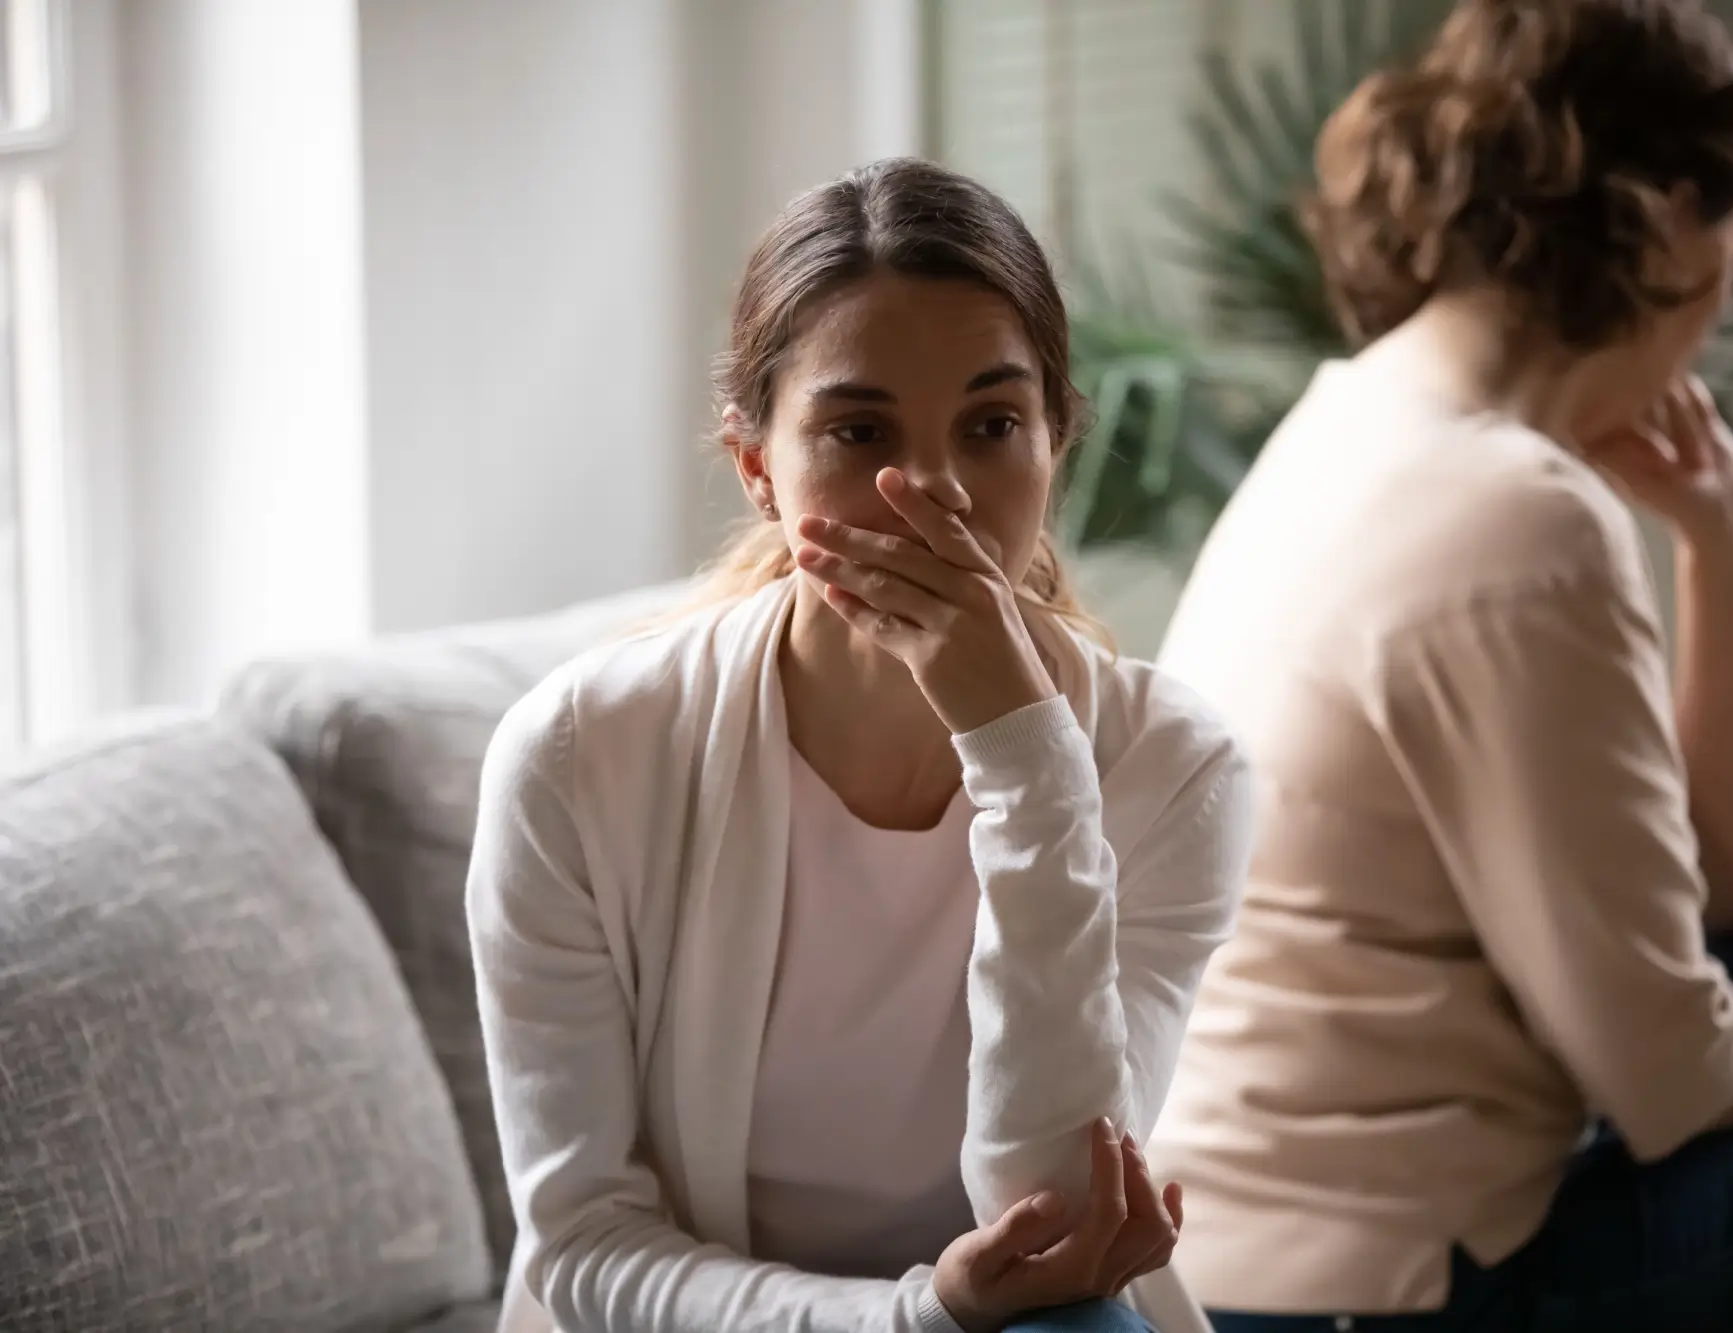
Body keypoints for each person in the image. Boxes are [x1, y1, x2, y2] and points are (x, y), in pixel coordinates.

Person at [1146, 2, 1733, 1331]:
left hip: (1245, 1242)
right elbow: (1677, 1077)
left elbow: (1728, 887)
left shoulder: (1356, 414)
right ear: (1663, 231)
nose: (1705, 334)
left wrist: (1721, 541)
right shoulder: (1518, 514)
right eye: (1723, 280)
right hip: (1386, 1287)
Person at [466, 157, 1254, 1333]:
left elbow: (1050, 1212)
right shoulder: (579, 759)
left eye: (990, 425)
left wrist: (1026, 755)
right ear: (758, 472)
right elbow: (582, 1243)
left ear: (1055, 445)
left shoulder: (1170, 767)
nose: (930, 491)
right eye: (856, 430)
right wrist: (913, 1315)